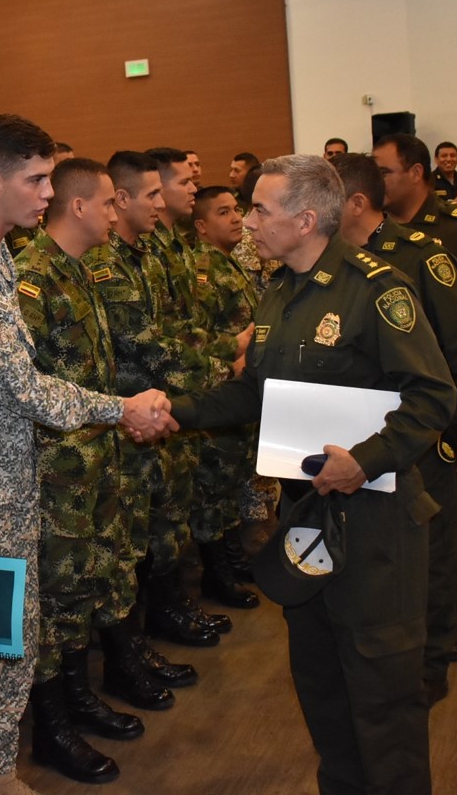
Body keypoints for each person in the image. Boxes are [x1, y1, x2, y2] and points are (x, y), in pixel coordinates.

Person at [172, 154, 455, 795]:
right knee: (323, 685)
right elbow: (258, 397)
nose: (248, 222)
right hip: (305, 520)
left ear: (304, 220)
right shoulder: (279, 292)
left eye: (261, 210)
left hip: (377, 525)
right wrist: (174, 412)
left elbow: (433, 397)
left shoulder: (377, 288)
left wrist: (368, 459)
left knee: (383, 696)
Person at [0, 118, 174, 791]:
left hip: (12, 487)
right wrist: (119, 409)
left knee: (13, 639)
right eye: (36, 180)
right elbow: (20, 385)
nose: (48, 193)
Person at [15, 159, 180, 786]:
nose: (117, 213)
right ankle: (52, 726)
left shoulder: (80, 272)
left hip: (94, 462)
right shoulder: (32, 280)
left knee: (87, 585)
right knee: (55, 597)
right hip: (55, 471)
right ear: (79, 206)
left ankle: (80, 696)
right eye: (109, 203)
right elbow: (31, 389)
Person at [334, 153, 457, 707]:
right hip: (368, 438)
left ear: (354, 202)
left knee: (440, 542)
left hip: (429, 428)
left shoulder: (421, 256)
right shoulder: (331, 264)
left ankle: (436, 653)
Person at [84, 152, 225, 662]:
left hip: (158, 411)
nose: (163, 202)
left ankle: (159, 619)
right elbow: (144, 342)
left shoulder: (146, 250)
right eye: (153, 194)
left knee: (163, 523)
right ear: (119, 199)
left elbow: (175, 326)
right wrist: (221, 372)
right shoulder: (104, 262)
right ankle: (132, 647)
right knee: (132, 539)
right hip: (129, 420)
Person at [142, 147, 248, 618]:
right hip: (169, 394)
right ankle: (174, 607)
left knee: (197, 498)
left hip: (192, 387)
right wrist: (228, 355)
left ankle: (198, 588)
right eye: (183, 181)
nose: (191, 187)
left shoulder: (177, 248)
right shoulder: (150, 253)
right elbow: (162, 334)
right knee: (171, 513)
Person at [188, 185, 261, 606]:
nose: (236, 218)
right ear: (201, 226)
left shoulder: (229, 264)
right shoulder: (204, 269)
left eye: (236, 209)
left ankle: (230, 558)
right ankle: (218, 571)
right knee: (213, 485)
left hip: (239, 389)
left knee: (231, 479)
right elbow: (200, 333)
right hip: (220, 389)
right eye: (223, 212)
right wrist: (230, 360)